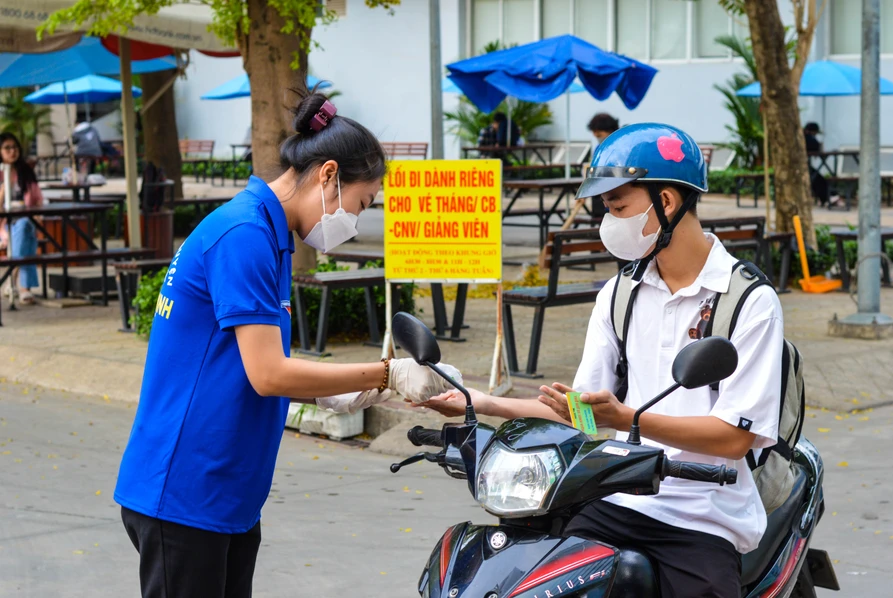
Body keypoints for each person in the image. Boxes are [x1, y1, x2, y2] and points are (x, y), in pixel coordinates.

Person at [113, 88, 460, 598]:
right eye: (360, 204)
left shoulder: (268, 235)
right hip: (185, 489)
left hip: (224, 491)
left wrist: (338, 389)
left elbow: (248, 366)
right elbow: (268, 373)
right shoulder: (244, 235)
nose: (356, 222)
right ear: (328, 175)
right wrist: (387, 373)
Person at [423, 123, 784, 598]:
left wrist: (628, 418)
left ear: (668, 202)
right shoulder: (620, 294)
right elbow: (582, 410)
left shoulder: (749, 301)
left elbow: (735, 438)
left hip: (702, 514)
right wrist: (480, 401)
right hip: (617, 499)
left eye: (617, 208)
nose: (608, 222)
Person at [0, 132, 44, 305]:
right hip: (4, 224)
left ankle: (12, 280)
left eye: (15, 147)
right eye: (7, 148)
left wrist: (38, 214)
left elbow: (38, 200)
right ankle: (24, 288)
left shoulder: (25, 171)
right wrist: (3, 190)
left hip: (25, 220)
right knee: (26, 233)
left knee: (26, 227)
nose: (12, 151)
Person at [804, 122, 841, 208]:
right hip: (803, 168)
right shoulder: (809, 139)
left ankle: (827, 197)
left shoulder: (801, 137)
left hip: (804, 167)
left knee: (818, 178)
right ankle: (828, 197)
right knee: (818, 180)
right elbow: (819, 151)